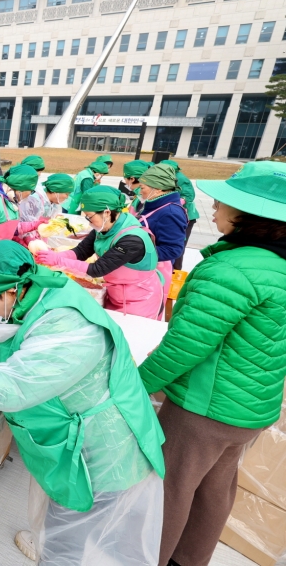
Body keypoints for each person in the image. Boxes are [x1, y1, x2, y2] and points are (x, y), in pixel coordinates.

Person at [0, 241, 165, 565]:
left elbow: (13, 388)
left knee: (79, 533)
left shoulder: (70, 325)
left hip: (106, 445)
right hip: (72, 433)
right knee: (66, 517)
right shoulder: (27, 296)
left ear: (11, 290)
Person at [137, 161, 286, 566]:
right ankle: (188, 559)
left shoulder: (231, 268)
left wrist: (136, 383)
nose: (213, 208)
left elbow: (185, 346)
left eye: (223, 202)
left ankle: (150, 557)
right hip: (252, 409)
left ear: (250, 216)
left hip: (205, 409)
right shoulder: (277, 264)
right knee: (215, 488)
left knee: (171, 488)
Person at [36, 186, 165, 320]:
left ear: (107, 212)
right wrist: (52, 257)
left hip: (139, 298)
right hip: (116, 291)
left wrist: (57, 261)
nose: (88, 221)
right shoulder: (104, 226)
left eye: (89, 216)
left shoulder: (132, 239)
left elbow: (96, 269)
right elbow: (80, 252)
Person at [135, 163, 188, 301]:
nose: (140, 192)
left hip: (151, 275)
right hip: (139, 270)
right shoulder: (155, 203)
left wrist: (136, 253)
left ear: (158, 189)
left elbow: (173, 249)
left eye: (142, 188)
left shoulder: (170, 212)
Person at [160, 160, 200, 272]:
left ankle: (176, 271)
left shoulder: (181, 178)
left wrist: (174, 202)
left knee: (178, 245)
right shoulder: (167, 176)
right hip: (174, 214)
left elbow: (189, 195)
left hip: (186, 217)